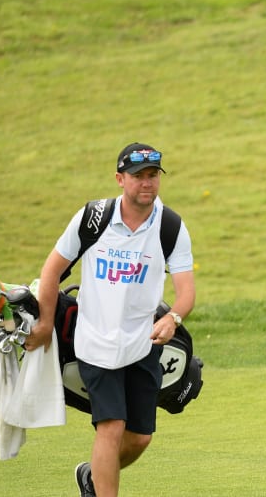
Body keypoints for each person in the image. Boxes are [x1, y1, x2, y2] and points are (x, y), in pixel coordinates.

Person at [25, 142, 195, 496]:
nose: (146, 183)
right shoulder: (93, 218)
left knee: (140, 437)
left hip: (143, 343)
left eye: (153, 175)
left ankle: (92, 477)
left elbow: (186, 292)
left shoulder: (171, 226)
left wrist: (173, 318)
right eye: (138, 176)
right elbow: (51, 271)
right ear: (120, 179)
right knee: (112, 426)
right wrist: (44, 325)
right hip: (95, 340)